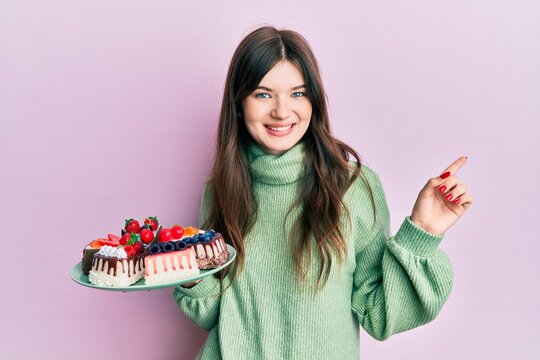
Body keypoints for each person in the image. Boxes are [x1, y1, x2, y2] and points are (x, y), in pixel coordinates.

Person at [173, 25, 472, 360]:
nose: (282, 111)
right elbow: (211, 313)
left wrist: (423, 233)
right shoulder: (221, 189)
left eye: (297, 93)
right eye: (262, 94)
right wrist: (187, 273)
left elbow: (379, 313)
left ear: (314, 100)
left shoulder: (353, 187)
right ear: (239, 104)